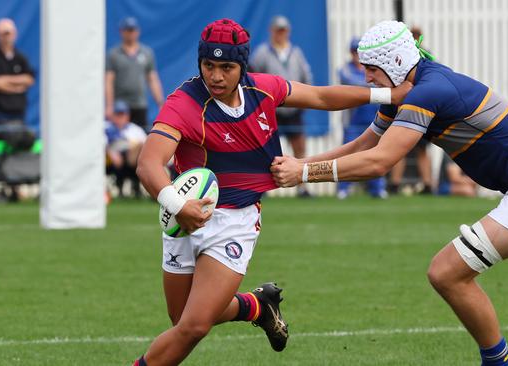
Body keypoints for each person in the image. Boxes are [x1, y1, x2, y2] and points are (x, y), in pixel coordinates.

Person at [271, 20, 508, 366]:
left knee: (447, 273)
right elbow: (366, 143)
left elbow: (379, 162)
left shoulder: (429, 91)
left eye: (371, 69)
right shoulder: (408, 91)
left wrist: (303, 173)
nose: (366, 79)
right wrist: (300, 165)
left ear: (395, 63)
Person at [132, 18, 410, 366]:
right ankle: (257, 306)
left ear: (242, 66)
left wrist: (389, 95)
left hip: (235, 220)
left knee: (193, 326)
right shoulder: (184, 103)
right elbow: (148, 164)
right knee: (181, 320)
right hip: (182, 219)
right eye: (208, 65)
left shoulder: (264, 89)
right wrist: (179, 206)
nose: (216, 76)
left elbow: (322, 96)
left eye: (226, 67)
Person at [249, 15, 314, 197]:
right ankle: (263, 186)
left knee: (299, 147)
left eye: (283, 31)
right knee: (266, 149)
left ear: (288, 32)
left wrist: (304, 99)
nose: (281, 34)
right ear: (272, 32)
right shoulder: (263, 52)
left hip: (293, 108)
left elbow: (306, 76)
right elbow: (252, 77)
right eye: (278, 30)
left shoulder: (295, 52)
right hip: (271, 109)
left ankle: (303, 186)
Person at [336, 37, 387, 199]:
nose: (357, 55)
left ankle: (377, 189)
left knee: (377, 153)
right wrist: (374, 85)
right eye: (354, 51)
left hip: (373, 119)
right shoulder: (345, 69)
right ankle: (343, 188)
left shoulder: (373, 69)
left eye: (359, 51)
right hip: (352, 121)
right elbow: (352, 82)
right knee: (348, 153)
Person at [387, 26, 433, 195]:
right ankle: (396, 184)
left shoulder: (419, 56)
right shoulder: (423, 56)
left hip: (415, 107)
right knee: (404, 149)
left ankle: (426, 184)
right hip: (412, 107)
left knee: (417, 150)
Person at [105, 17, 164, 131]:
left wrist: (160, 103)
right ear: (121, 32)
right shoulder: (114, 54)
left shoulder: (146, 53)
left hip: (139, 105)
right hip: (120, 105)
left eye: (132, 30)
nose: (130, 33)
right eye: (127, 30)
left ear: (137, 31)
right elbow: (109, 81)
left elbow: (152, 79)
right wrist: (109, 106)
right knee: (120, 140)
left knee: (139, 138)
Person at [0, 18, 35, 125]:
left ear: (15, 34)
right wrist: (17, 86)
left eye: (9, 33)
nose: (7, 37)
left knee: (25, 138)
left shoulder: (21, 58)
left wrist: (5, 81)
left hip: (20, 115)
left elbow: (29, 79)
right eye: (3, 33)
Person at [105, 100, 147, 198]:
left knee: (141, 146)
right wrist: (111, 152)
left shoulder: (135, 129)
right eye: (118, 114)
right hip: (111, 160)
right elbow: (100, 143)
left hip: (133, 159)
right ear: (113, 115)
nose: (120, 118)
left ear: (128, 116)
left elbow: (146, 145)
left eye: (123, 114)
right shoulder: (106, 127)